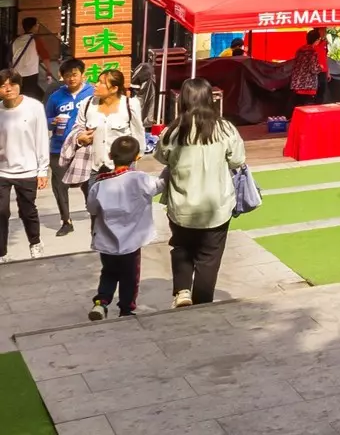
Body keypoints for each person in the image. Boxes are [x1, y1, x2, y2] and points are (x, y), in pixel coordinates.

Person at [156, 78, 247, 305]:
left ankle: (183, 290)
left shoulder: (173, 131)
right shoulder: (225, 128)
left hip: (181, 205)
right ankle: (203, 301)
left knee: (181, 246)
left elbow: (160, 157)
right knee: (209, 258)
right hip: (217, 206)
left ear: (182, 101)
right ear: (210, 99)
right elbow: (238, 160)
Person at [85, 135, 158, 320]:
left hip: (106, 242)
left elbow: (91, 208)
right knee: (130, 277)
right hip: (131, 243)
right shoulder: (140, 178)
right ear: (137, 157)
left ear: (110, 155)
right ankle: (126, 308)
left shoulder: (99, 184)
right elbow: (159, 186)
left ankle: (101, 303)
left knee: (108, 273)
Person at [0, 69, 48, 261]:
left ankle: (35, 242)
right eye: (3, 86)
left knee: (27, 211)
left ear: (20, 86)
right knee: (0, 211)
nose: (8, 89)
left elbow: (41, 138)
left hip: (27, 169)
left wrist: (42, 169)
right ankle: (1, 252)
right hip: (2, 170)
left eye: (12, 84)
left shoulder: (34, 107)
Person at [64, 66, 144, 180]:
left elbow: (138, 133)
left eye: (101, 83)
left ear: (114, 88)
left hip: (122, 170)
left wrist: (137, 155)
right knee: (93, 197)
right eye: (97, 81)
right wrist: (80, 138)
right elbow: (78, 127)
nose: (96, 85)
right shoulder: (87, 104)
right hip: (93, 169)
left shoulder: (130, 105)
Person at [45, 58, 94, 237]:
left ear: (82, 74)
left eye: (74, 74)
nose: (71, 79)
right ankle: (66, 221)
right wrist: (53, 121)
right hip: (59, 147)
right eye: (67, 76)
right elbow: (45, 121)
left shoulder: (93, 92)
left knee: (89, 183)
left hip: (85, 147)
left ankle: (95, 216)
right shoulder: (55, 97)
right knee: (59, 185)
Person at [9, 17, 51, 100]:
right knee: (30, 98)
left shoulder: (15, 40)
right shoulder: (36, 40)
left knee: (18, 97)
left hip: (16, 74)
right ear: (33, 26)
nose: (38, 26)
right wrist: (48, 71)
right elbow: (45, 56)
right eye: (37, 24)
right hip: (30, 74)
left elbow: (10, 58)